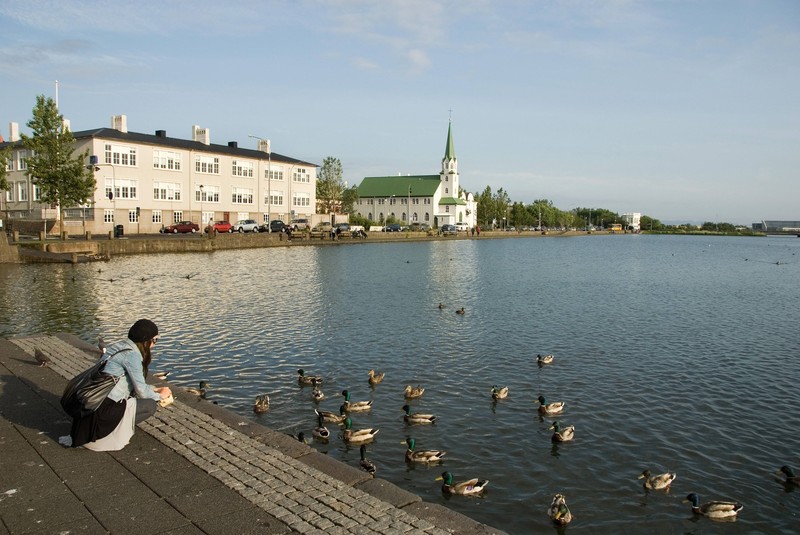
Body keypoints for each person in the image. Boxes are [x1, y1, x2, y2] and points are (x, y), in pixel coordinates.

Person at [66, 319, 171, 451]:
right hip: (102, 412)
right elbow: (142, 392)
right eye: (155, 340)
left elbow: (135, 384)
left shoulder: (119, 346)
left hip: (92, 406)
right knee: (150, 405)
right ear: (146, 341)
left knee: (139, 399)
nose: (154, 344)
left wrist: (155, 389)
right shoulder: (132, 355)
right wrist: (161, 396)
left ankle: (106, 430)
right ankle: (107, 435)